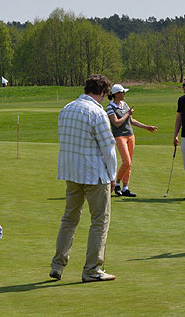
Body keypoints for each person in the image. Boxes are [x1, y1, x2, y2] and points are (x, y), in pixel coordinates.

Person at [50, 74, 117, 283]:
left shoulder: (66, 108)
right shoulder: (97, 112)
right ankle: (92, 269)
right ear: (103, 93)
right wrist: (113, 176)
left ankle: (58, 265)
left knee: (69, 219)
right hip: (94, 174)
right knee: (100, 221)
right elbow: (109, 148)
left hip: (71, 173)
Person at [106, 84, 158, 197]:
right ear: (116, 94)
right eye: (122, 92)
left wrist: (146, 127)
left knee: (129, 164)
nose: (124, 94)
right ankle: (117, 183)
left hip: (130, 135)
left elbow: (131, 120)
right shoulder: (110, 107)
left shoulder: (124, 104)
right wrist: (127, 114)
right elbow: (117, 123)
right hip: (120, 136)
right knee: (126, 162)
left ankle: (125, 188)